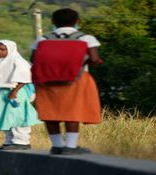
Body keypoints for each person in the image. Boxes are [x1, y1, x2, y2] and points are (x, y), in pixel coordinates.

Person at [31, 8, 104, 155]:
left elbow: (33, 59)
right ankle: (70, 146)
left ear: (52, 22)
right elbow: (94, 59)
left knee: (49, 111)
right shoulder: (86, 38)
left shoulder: (43, 39)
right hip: (76, 79)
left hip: (46, 79)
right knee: (72, 110)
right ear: (78, 21)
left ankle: (57, 145)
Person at [0, 40, 42, 150]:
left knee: (18, 116)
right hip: (2, 92)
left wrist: (14, 92)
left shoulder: (18, 61)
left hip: (16, 92)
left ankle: (21, 141)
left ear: (10, 49)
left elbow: (24, 78)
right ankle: (9, 140)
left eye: (2, 49)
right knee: (4, 116)